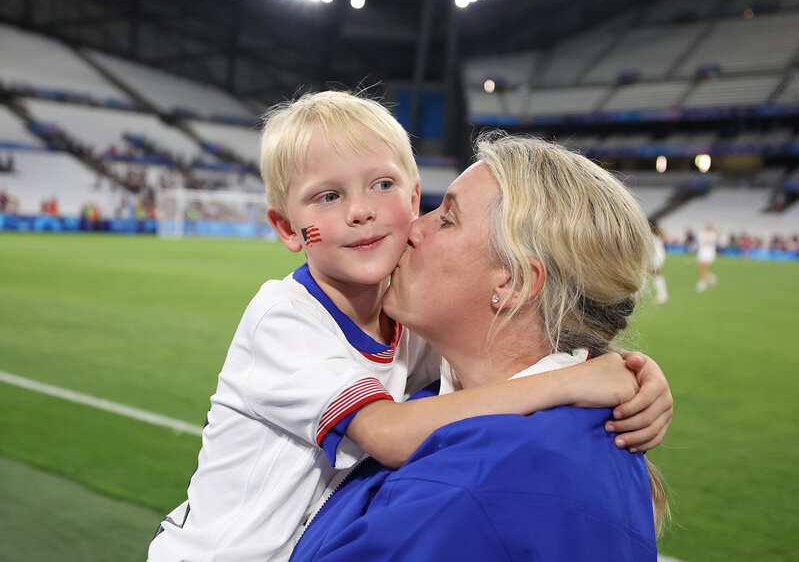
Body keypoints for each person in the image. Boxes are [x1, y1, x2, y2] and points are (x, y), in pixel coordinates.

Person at [148, 93, 673, 561]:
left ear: (512, 282)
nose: (365, 213)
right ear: (287, 227)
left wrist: (624, 371)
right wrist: (579, 377)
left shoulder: (468, 483)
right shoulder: (285, 317)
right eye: (328, 196)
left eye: (442, 215)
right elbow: (389, 433)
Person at [290, 133, 670, 561]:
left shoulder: (461, 494)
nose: (413, 228)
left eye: (447, 219)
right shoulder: (578, 423)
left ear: (513, 283)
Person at [696, 222, 718, 292]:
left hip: (709, 253)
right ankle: (711, 278)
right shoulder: (701, 232)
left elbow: (711, 242)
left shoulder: (713, 233)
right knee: (700, 267)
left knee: (703, 266)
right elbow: (701, 240)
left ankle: (703, 282)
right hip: (702, 252)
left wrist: (706, 241)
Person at [651, 222, 669, 304]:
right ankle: (662, 295)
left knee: (656, 275)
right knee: (655, 275)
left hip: (655, 256)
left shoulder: (651, 234)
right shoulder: (659, 233)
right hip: (658, 254)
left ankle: (662, 295)